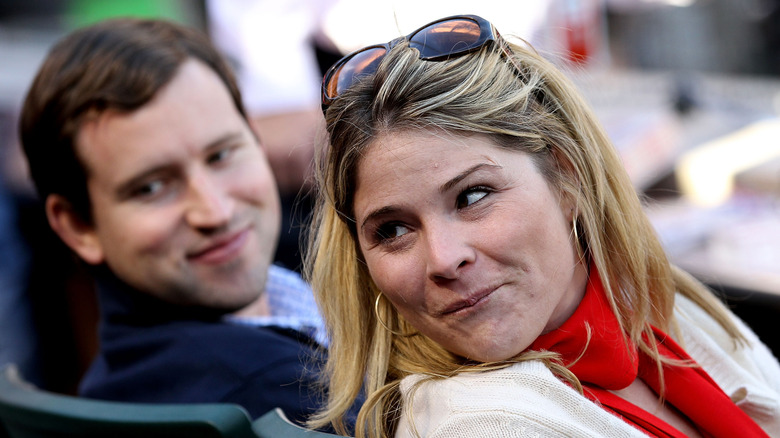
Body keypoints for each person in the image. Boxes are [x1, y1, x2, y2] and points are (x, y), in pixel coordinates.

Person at [306, 14, 780, 437]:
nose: (445, 258)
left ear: (566, 177)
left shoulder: (656, 305)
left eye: (472, 197)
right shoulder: (479, 426)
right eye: (392, 231)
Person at [18, 17, 327, 424]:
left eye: (221, 155)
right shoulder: (278, 396)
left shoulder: (132, 372)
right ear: (78, 227)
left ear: (255, 137)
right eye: (151, 187)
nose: (215, 211)